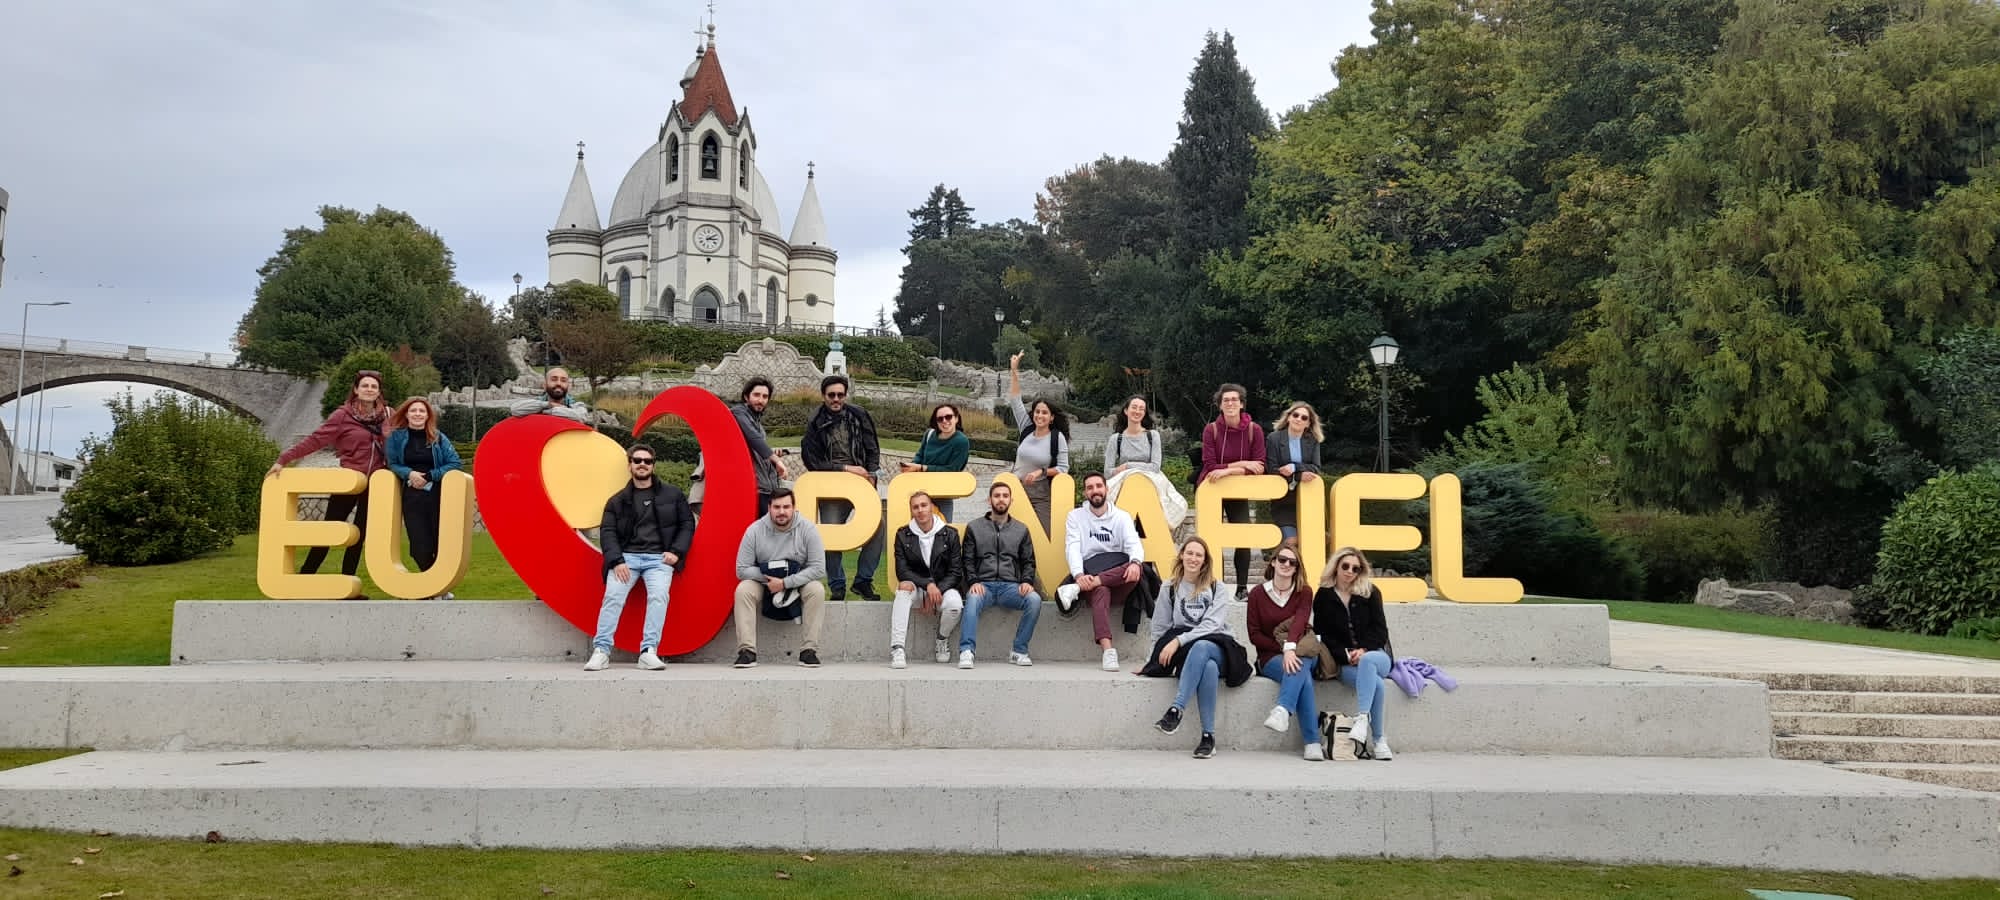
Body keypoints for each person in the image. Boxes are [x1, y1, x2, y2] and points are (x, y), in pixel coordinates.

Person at [267, 370, 390, 579]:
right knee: (328, 531)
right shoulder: (342, 416)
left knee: (359, 535)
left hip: (376, 483)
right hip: (349, 481)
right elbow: (316, 439)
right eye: (365, 386)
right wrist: (284, 459)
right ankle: (306, 576)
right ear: (356, 390)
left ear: (379, 392)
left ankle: (348, 584)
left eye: (373, 387)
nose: (369, 390)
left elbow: (401, 443)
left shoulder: (388, 416)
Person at [583, 443, 693, 672]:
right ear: (629, 465)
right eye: (637, 460)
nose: (642, 464)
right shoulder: (617, 501)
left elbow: (686, 524)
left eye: (647, 461)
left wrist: (676, 552)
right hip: (626, 560)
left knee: (659, 597)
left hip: (659, 560)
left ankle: (648, 652)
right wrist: (617, 561)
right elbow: (608, 532)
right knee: (613, 597)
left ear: (653, 465)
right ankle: (601, 651)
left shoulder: (672, 495)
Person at [1147, 536, 1236, 759]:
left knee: (1202, 646)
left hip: (1218, 645)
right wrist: (1152, 660)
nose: (1193, 558)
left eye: (1199, 555)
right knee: (1208, 668)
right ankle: (1208, 737)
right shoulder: (1169, 587)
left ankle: (1176, 709)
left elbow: (1211, 625)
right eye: (1190, 553)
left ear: (1205, 560)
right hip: (1190, 654)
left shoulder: (1217, 587)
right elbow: (1159, 627)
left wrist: (1178, 641)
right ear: (1181, 555)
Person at [800, 375, 884, 602]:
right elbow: (812, 461)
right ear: (823, 396)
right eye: (831, 395)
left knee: (878, 528)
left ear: (845, 395)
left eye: (840, 394)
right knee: (830, 534)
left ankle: (863, 581)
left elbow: (872, 448)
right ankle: (837, 585)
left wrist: (872, 474)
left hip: (861, 485)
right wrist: (845, 468)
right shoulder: (815, 422)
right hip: (831, 487)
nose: (836, 399)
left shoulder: (859, 415)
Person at [731, 489, 829, 669]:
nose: (781, 511)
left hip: (798, 580)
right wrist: (771, 579)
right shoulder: (754, 530)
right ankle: (747, 651)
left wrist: (785, 582)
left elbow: (818, 568)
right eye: (776, 507)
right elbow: (742, 569)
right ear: (769, 507)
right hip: (765, 582)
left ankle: (809, 651)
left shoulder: (808, 529)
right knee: (743, 590)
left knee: (817, 589)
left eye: (786, 507)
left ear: (794, 507)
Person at [1315, 546, 1395, 761]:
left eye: (1355, 568)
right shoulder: (1323, 596)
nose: (1350, 571)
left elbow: (1380, 630)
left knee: (1368, 661)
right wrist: (1345, 654)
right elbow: (1322, 634)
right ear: (1336, 566)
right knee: (1377, 685)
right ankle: (1379, 740)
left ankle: (1362, 718)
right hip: (1345, 662)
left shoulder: (1370, 591)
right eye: (1345, 566)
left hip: (1376, 656)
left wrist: (1364, 650)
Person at [1246, 539, 1323, 761]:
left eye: (1292, 562)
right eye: (1282, 559)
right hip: (1270, 657)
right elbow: (1254, 635)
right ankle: (1312, 742)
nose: (1287, 564)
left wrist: (1290, 649)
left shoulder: (1304, 592)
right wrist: (1284, 650)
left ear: (1297, 568)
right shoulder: (1257, 594)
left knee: (1299, 662)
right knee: (1302, 676)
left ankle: (1282, 709)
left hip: (1304, 651)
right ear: (1273, 562)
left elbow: (1300, 622)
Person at [1062, 473, 1144, 672]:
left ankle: (1077, 588)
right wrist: (1079, 576)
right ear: (1085, 493)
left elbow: (1134, 544)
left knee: (1137, 567)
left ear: (1107, 489)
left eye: (1099, 486)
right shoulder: (1075, 516)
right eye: (1090, 487)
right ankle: (1108, 651)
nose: (1095, 490)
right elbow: (1072, 548)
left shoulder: (1122, 516)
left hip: (1119, 580)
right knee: (1101, 590)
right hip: (1089, 578)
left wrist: (1135, 563)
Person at [383, 397, 465, 597]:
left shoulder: (438, 437)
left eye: (422, 411)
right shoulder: (396, 438)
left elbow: (455, 463)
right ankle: (432, 585)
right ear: (406, 414)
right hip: (412, 496)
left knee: (438, 542)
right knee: (419, 545)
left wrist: (429, 476)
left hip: (437, 496)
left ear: (428, 415)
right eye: (413, 410)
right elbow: (392, 463)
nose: (418, 414)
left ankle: (437, 588)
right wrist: (409, 474)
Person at [956, 481, 1042, 669]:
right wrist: (973, 581)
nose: (1001, 499)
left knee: (1034, 600)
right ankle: (966, 651)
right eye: (997, 496)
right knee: (972, 598)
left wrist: (1027, 581)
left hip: (1010, 587)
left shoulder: (1021, 529)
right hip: (983, 585)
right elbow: (967, 560)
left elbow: (1028, 561)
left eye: (1005, 496)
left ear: (1011, 500)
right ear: (989, 500)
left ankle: (1019, 651)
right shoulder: (974, 527)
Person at [1199, 383, 1265, 600]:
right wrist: (1243, 464)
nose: (1230, 403)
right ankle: (1210, 585)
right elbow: (1210, 466)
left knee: (1242, 537)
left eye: (1234, 399)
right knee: (1209, 540)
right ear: (1220, 405)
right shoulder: (1211, 430)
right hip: (1212, 488)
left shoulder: (1254, 430)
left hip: (1238, 490)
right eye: (1225, 400)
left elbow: (1260, 466)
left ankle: (1242, 587)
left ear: (1242, 404)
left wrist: (1228, 470)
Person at [889, 491, 964, 669]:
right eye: (915, 507)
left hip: (943, 588)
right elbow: (902, 571)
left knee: (955, 605)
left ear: (932, 507)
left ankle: (942, 639)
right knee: (903, 589)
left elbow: (955, 572)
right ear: (911, 511)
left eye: (924, 505)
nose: (920, 510)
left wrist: (937, 589)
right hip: (917, 588)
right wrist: (927, 585)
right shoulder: (903, 535)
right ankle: (897, 648)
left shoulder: (950, 534)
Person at [1102, 394, 1188, 529]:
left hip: (1150, 485)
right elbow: (1107, 472)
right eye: (1134, 407)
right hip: (1125, 488)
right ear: (1126, 411)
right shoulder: (1116, 439)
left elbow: (1155, 467)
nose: (1137, 411)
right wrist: (1128, 471)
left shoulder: (1152, 436)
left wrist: (1127, 466)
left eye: (1141, 409)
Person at [1006, 351, 1069, 532]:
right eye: (1037, 411)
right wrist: (1014, 371)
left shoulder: (1057, 438)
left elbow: (1063, 468)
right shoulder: (1026, 428)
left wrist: (1041, 472)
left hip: (1040, 493)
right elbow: (1015, 401)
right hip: (1015, 488)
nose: (1040, 415)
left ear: (1051, 417)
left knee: (1043, 534)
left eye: (1044, 413)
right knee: (1011, 535)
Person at [1265, 401, 1324, 541]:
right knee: (1291, 540)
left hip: (1308, 499)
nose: (1299, 419)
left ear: (1308, 423)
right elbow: (1272, 470)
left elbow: (1316, 467)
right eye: (1295, 415)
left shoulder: (1313, 440)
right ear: (1288, 417)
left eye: (1304, 417)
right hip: (1283, 501)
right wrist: (1298, 476)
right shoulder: (1274, 439)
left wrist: (1294, 467)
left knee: (1311, 542)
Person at [901, 402, 970, 520]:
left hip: (942, 494)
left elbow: (952, 470)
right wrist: (911, 466)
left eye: (948, 417)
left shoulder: (961, 441)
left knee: (942, 528)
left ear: (956, 418)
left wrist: (922, 468)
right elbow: (920, 455)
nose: (944, 421)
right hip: (920, 491)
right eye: (940, 419)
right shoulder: (929, 434)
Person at [732, 376, 788, 517]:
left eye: (765, 396)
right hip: (754, 489)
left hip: (766, 488)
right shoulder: (739, 412)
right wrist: (776, 459)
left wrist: (772, 455)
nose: (761, 400)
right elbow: (753, 438)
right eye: (756, 395)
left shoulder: (757, 422)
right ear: (746, 397)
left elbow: (754, 448)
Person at [509, 367, 590, 421]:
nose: (558, 383)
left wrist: (551, 411)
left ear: (568, 387)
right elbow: (515, 410)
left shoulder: (576, 405)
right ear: (544, 385)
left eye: (563, 380)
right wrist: (548, 405)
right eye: (554, 379)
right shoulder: (536, 403)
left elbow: (581, 417)